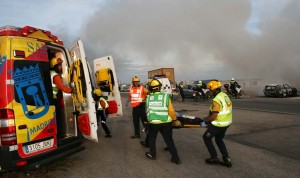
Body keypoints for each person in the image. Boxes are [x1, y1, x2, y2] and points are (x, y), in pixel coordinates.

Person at [145, 79, 181, 164]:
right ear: (160, 87)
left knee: (152, 139)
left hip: (153, 123)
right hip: (166, 122)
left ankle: (152, 155)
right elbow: (171, 111)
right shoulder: (166, 96)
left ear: (151, 88)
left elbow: (147, 110)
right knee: (169, 140)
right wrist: (175, 120)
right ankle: (176, 158)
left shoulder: (148, 98)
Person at [202, 80, 233, 168]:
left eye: (210, 90)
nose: (210, 92)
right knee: (219, 139)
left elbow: (214, 115)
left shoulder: (216, 99)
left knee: (206, 137)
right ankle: (227, 159)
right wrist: (208, 117)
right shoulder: (224, 95)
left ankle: (214, 157)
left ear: (214, 90)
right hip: (227, 122)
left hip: (219, 123)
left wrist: (206, 122)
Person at [50, 57, 73, 139]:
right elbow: (61, 87)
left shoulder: (51, 73)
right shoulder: (55, 75)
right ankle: (60, 135)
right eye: (59, 65)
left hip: (51, 99)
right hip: (54, 99)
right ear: (54, 66)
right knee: (58, 118)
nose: (60, 67)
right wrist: (71, 90)